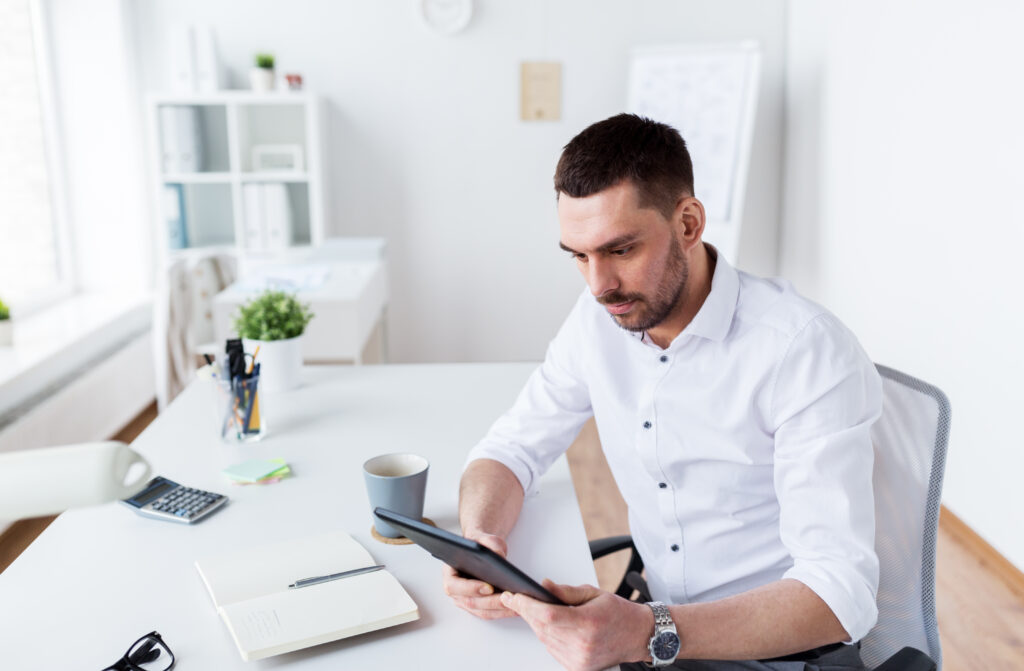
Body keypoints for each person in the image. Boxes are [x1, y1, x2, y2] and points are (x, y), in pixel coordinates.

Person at [442, 113, 881, 671]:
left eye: (620, 250)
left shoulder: (803, 350)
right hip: (659, 627)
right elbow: (510, 449)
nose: (599, 285)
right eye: (578, 256)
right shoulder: (597, 319)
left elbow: (840, 591)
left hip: (780, 650)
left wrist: (650, 631)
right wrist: (480, 541)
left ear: (689, 223)